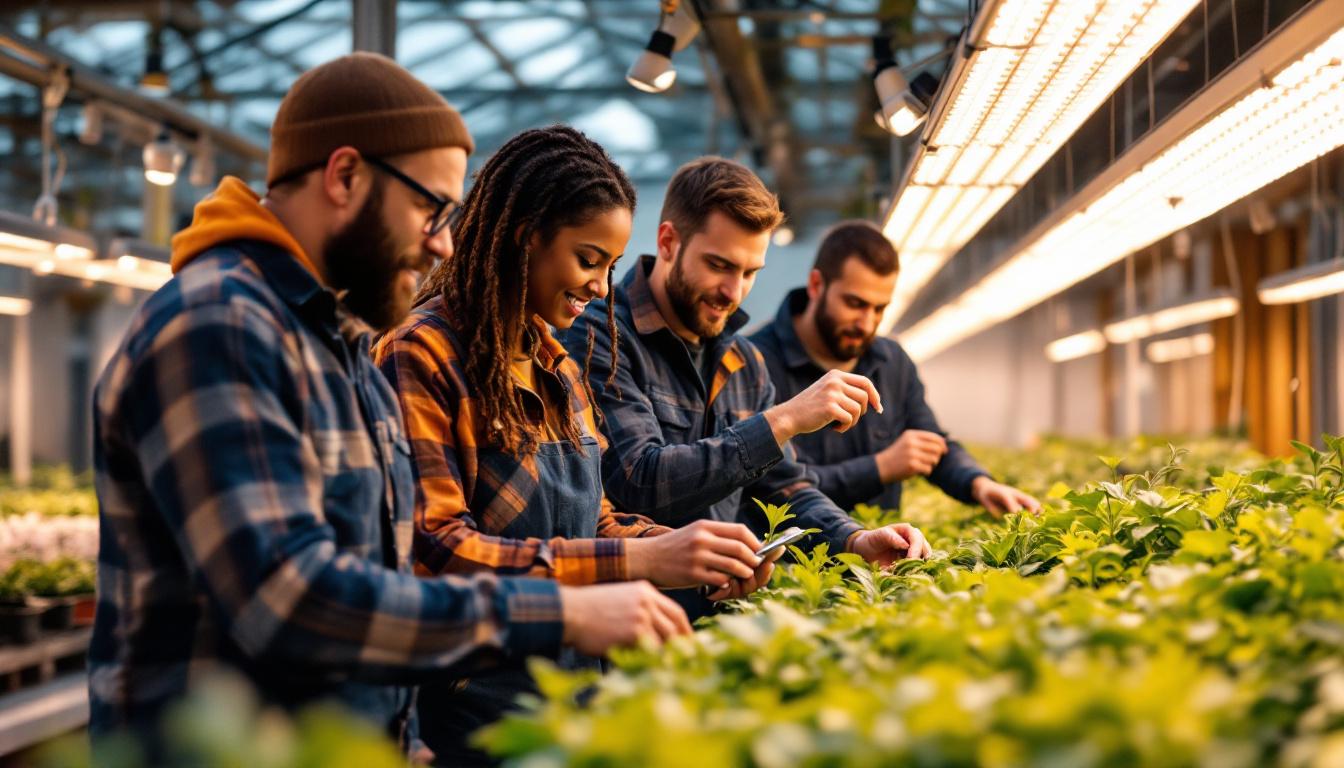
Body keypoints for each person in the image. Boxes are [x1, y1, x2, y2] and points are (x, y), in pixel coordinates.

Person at [89, 53, 688, 758]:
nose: (441, 241)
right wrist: (561, 608)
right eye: (429, 208)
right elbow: (292, 599)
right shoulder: (220, 325)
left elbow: (383, 578)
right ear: (344, 175)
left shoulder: (338, 343)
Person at [373, 126, 773, 765]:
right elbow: (440, 551)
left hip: (572, 695)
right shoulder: (423, 353)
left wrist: (684, 551)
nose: (600, 288)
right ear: (524, 236)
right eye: (588, 259)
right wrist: (643, 563)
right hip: (471, 712)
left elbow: (597, 516)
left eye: (611, 266)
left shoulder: (555, 363)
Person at [558, 157, 932, 620]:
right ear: (669, 242)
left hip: (718, 622)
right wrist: (782, 421)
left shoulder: (745, 362)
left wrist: (853, 539)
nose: (733, 291)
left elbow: (784, 486)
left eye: (750, 272)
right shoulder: (599, 337)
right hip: (624, 630)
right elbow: (636, 481)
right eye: (719, 265)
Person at [749, 220, 1040, 516]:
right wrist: (881, 468)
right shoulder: (754, 363)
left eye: (879, 309)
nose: (867, 323)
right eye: (855, 303)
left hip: (880, 560)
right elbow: (768, 487)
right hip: (790, 559)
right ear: (816, 285)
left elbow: (930, 443)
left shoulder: (891, 362)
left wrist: (979, 484)